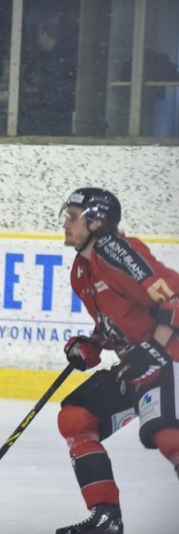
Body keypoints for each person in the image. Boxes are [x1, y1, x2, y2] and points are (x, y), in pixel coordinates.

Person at [56, 187, 179, 533]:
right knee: (76, 418)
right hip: (137, 366)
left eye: (73, 217)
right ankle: (106, 518)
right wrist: (93, 343)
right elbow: (118, 323)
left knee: (168, 436)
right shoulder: (81, 270)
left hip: (169, 356)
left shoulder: (113, 250)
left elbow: (175, 297)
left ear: (96, 222)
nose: (65, 223)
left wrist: (153, 349)